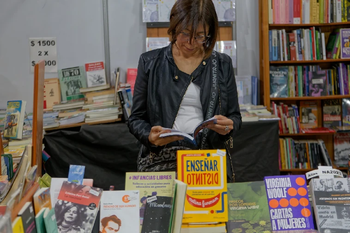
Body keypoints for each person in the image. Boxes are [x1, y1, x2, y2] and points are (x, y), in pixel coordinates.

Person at [128, 0, 241, 180]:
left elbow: (235, 117)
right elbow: (135, 119)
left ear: (209, 33)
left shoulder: (221, 64)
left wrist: (228, 126)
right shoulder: (150, 62)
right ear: (174, 26)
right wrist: (150, 137)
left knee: (208, 207)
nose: (190, 43)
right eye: (184, 33)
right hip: (161, 159)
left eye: (199, 36)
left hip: (207, 159)